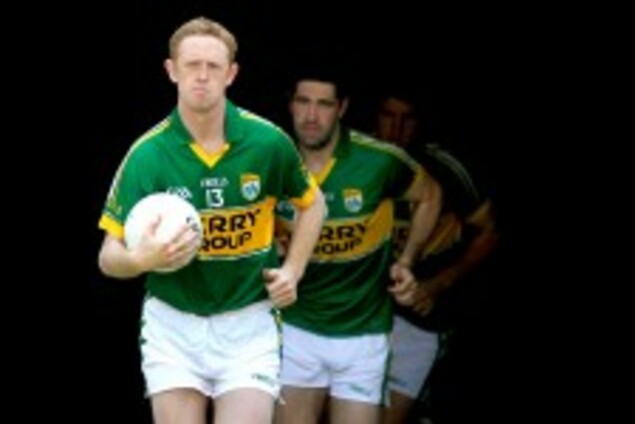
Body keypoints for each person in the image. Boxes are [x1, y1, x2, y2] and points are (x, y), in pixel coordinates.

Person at [97, 17, 325, 424]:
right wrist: (139, 259)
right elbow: (107, 256)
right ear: (171, 70)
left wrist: (293, 270)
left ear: (231, 73)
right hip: (172, 324)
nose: (202, 76)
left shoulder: (267, 142)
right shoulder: (147, 154)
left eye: (213, 66)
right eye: (192, 65)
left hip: (248, 323)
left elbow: (314, 204)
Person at [273, 65, 442, 424]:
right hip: (297, 327)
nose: (312, 116)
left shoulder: (379, 160)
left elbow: (430, 195)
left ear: (342, 108)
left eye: (324, 104)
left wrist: (407, 261)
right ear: (290, 105)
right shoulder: (270, 159)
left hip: (364, 334)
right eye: (303, 102)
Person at [377, 90, 500, 423]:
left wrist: (439, 283)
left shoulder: (446, 167)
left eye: (407, 119)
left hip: (422, 317)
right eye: (388, 116)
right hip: (363, 312)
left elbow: (490, 231)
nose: (396, 129)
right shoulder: (358, 160)